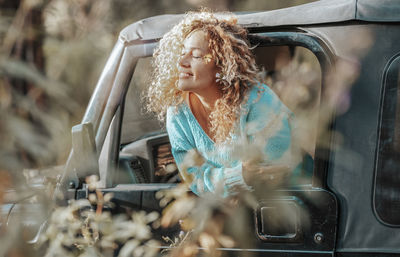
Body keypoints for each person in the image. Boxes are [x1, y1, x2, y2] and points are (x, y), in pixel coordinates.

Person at [146, 11, 311, 197]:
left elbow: (276, 176)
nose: (182, 62)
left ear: (222, 66)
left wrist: (231, 181)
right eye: (183, 53)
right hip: (230, 212)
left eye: (196, 55)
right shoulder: (177, 111)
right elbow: (194, 180)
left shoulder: (259, 101)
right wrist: (239, 176)